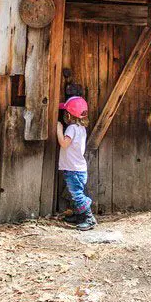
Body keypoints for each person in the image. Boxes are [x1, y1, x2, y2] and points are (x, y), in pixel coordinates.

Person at [56, 96, 96, 231]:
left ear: (68, 114)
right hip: (78, 169)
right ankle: (80, 215)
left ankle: (88, 218)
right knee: (76, 193)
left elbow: (64, 143)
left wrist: (58, 129)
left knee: (77, 194)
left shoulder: (71, 128)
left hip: (73, 169)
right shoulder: (81, 128)